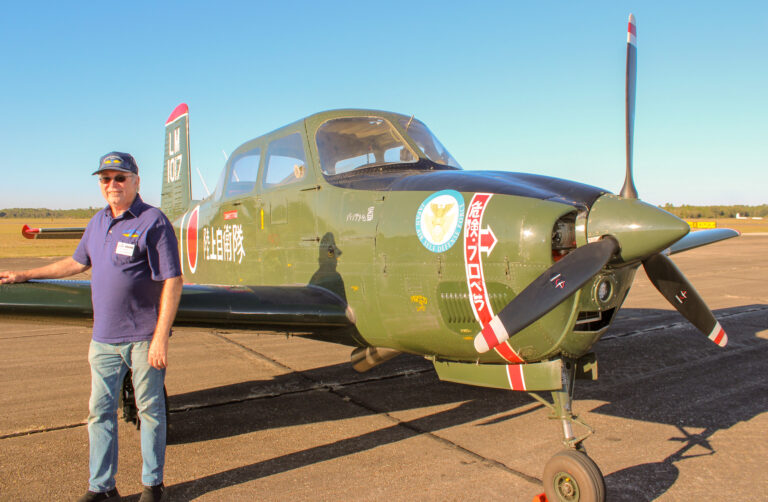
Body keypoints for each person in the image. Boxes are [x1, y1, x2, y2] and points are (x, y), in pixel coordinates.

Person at [0, 152, 183, 502]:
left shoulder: (153, 221)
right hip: (104, 340)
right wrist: (25, 273)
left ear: (136, 181)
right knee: (99, 414)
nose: (112, 185)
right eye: (105, 179)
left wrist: (161, 337)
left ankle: (153, 486)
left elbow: (172, 280)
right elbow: (74, 262)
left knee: (151, 413)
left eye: (120, 178)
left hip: (144, 337)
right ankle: (102, 488)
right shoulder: (97, 222)